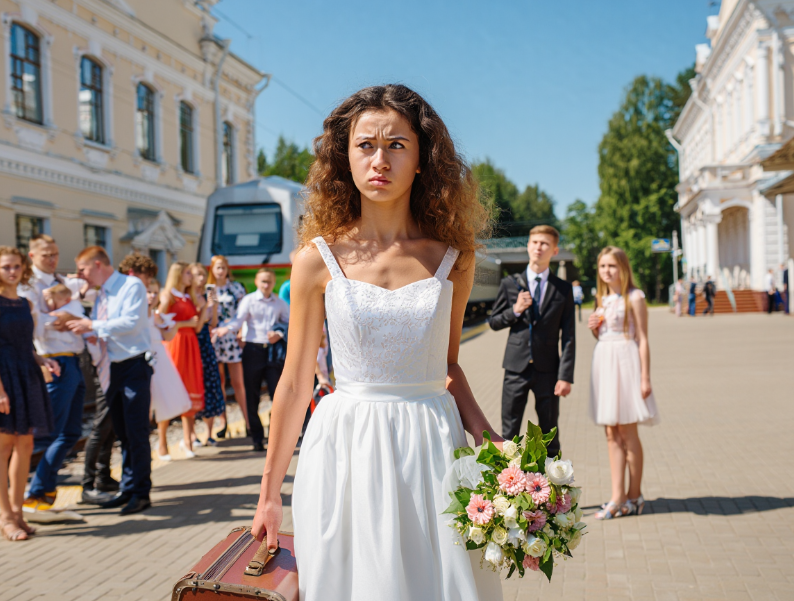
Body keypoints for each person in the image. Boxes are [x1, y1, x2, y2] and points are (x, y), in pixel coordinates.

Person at [250, 84, 503, 600]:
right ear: (345, 158)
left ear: (422, 159)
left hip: (433, 446)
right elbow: (296, 382)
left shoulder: (454, 258)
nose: (379, 160)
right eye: (365, 145)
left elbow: (449, 365)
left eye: (397, 145)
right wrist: (269, 493)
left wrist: (488, 435)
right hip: (346, 448)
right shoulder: (315, 260)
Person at [67, 246, 152, 516]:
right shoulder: (102, 292)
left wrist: (92, 327)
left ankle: (141, 493)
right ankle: (128, 489)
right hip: (111, 368)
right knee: (123, 434)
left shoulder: (131, 285)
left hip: (133, 366)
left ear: (97, 264)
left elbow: (131, 323)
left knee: (136, 433)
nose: (80, 275)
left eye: (82, 269)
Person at [488, 224, 575, 457]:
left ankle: (552, 489)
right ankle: (507, 487)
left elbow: (569, 337)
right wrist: (514, 311)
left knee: (549, 433)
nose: (539, 247)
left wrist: (565, 376)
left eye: (545, 243)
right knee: (509, 433)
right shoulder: (509, 284)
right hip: (515, 368)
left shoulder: (563, 289)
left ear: (554, 251)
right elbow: (494, 321)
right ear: (528, 246)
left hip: (548, 371)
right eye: (535, 242)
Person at [588, 246, 659, 520]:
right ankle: (617, 496)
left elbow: (642, 338)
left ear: (623, 268)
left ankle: (635, 494)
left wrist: (645, 377)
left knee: (628, 433)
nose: (607, 271)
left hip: (627, 363)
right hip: (604, 363)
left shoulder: (635, 297)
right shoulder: (601, 297)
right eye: (603, 266)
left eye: (612, 266)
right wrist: (595, 328)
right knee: (610, 432)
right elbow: (601, 336)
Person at [19, 234, 87, 513]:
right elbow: (33, 322)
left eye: (55, 253)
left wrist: (69, 317)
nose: (52, 258)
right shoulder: (30, 285)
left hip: (74, 360)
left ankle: (44, 489)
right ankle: (34, 491)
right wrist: (62, 319)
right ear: (32, 256)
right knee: (50, 431)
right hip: (53, 361)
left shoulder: (61, 282)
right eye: (46, 254)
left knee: (70, 432)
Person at [0, 247, 58, 541]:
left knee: (25, 446)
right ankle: (5, 517)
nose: (12, 271)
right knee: (4, 448)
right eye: (6, 266)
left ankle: (18, 511)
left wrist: (42, 360)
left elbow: (25, 346)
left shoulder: (23, 303)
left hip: (25, 373)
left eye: (16, 266)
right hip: (3, 378)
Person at [213, 268, 289, 452]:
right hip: (253, 350)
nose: (266, 285)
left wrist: (278, 334)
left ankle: (275, 435)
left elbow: (288, 323)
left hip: (272, 353)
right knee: (251, 396)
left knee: (276, 395)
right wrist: (225, 329)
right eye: (263, 281)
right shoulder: (249, 301)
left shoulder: (279, 303)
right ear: (256, 282)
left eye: (269, 281)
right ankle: (256, 437)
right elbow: (238, 321)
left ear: (273, 283)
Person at [158, 262, 205, 458]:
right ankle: (162, 444)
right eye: (187, 273)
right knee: (171, 390)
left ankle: (188, 441)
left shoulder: (189, 296)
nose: (190, 277)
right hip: (175, 343)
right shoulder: (168, 295)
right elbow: (159, 319)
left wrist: (206, 308)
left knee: (189, 388)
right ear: (178, 274)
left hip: (190, 343)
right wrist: (185, 322)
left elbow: (198, 327)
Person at [144, 278, 192, 460]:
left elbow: (168, 335)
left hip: (160, 358)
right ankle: (146, 444)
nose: (152, 296)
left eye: (155, 292)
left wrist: (176, 324)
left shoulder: (157, 315)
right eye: (149, 291)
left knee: (164, 400)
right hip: (144, 358)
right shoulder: (140, 314)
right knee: (146, 404)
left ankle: (162, 443)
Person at [207, 255, 248, 435]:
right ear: (212, 270)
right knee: (220, 382)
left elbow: (244, 313)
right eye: (217, 268)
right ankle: (223, 422)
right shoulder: (209, 290)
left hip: (231, 336)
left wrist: (240, 332)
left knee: (238, 382)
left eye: (223, 267)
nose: (221, 271)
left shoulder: (236, 288)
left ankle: (248, 421)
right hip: (215, 337)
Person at [189, 262, 225, 446]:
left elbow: (212, 323)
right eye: (197, 275)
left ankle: (208, 433)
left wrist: (214, 306)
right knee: (193, 386)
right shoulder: (189, 297)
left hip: (205, 342)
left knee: (211, 384)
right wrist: (205, 307)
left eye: (203, 274)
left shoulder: (206, 295)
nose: (201, 278)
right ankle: (191, 435)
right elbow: (196, 325)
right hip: (193, 342)